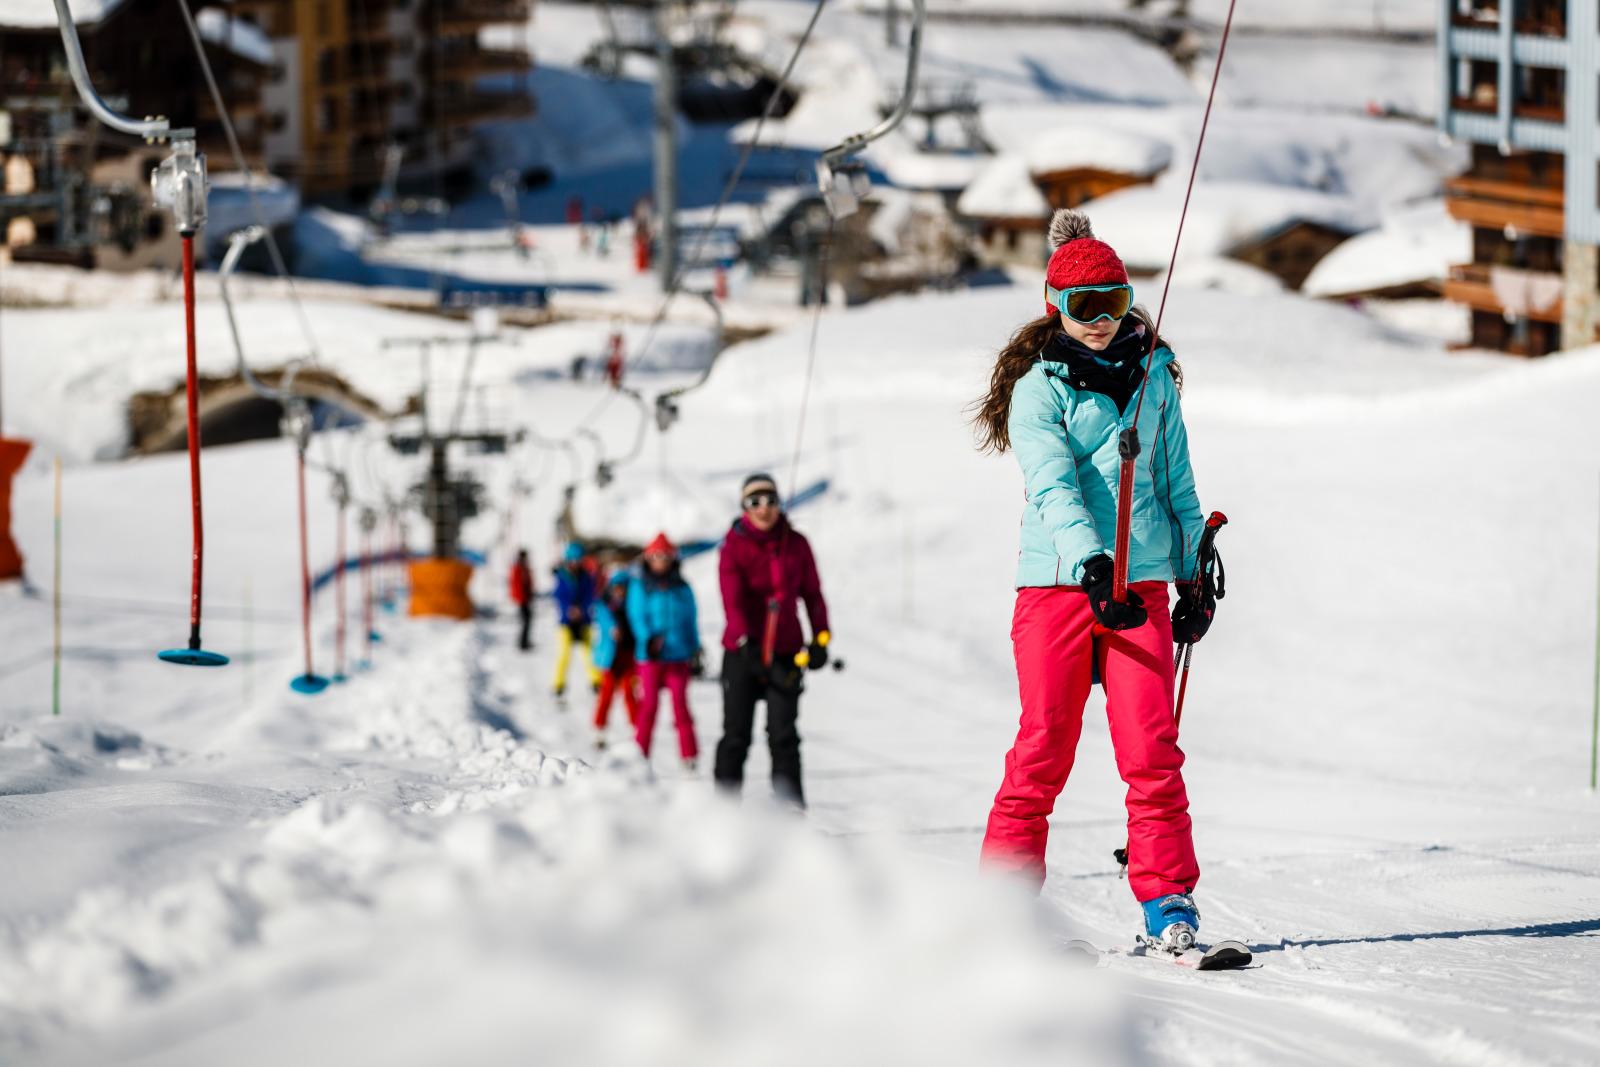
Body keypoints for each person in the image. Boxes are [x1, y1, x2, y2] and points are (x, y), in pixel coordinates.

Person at [971, 208, 1216, 952]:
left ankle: (1168, 898)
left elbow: (1175, 483)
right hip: (1058, 585)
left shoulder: (1155, 376)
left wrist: (1189, 573)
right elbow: (1054, 488)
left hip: (1135, 589)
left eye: (1113, 303)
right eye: (1084, 308)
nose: (1102, 321)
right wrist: (1090, 563)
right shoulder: (1040, 389)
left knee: (1152, 746)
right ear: (1056, 307)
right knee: (1044, 743)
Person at [713, 473, 830, 808]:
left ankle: (790, 815)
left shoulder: (796, 544)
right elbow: (732, 600)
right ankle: (722, 813)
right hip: (742, 652)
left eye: (770, 500)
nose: (763, 508)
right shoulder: (732, 547)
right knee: (736, 735)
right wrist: (745, 640)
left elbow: (813, 595)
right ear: (744, 507)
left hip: (786, 653)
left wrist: (821, 637)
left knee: (783, 737)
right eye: (755, 502)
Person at [628, 534, 701, 770]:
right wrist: (647, 639)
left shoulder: (682, 587)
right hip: (650, 657)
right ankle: (640, 755)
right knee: (648, 706)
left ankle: (689, 756)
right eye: (655, 557)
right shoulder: (641, 586)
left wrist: (694, 647)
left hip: (678, 655)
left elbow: (691, 619)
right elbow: (636, 616)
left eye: (665, 556)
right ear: (648, 559)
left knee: (681, 705)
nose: (660, 561)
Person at [592, 569, 640, 747]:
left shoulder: (634, 605)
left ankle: (637, 729)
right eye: (617, 587)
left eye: (624, 588)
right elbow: (603, 620)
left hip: (628, 656)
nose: (620, 591)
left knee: (630, 693)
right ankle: (600, 729)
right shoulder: (604, 604)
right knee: (607, 693)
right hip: (610, 658)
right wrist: (612, 628)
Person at [551, 541, 599, 701]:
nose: (576, 563)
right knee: (564, 654)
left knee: (589, 653)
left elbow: (589, 596)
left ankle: (596, 681)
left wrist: (582, 610)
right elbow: (559, 596)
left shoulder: (586, 577)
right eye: (573, 560)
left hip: (584, 621)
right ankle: (559, 684)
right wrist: (569, 610)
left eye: (578, 560)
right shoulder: (562, 577)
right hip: (566, 622)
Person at [509, 548, 535, 651]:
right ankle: (523, 643)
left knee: (526, 620)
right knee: (525, 620)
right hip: (522, 598)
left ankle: (524, 641)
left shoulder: (523, 567)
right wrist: (521, 597)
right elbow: (517, 584)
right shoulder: (519, 568)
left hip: (525, 598)